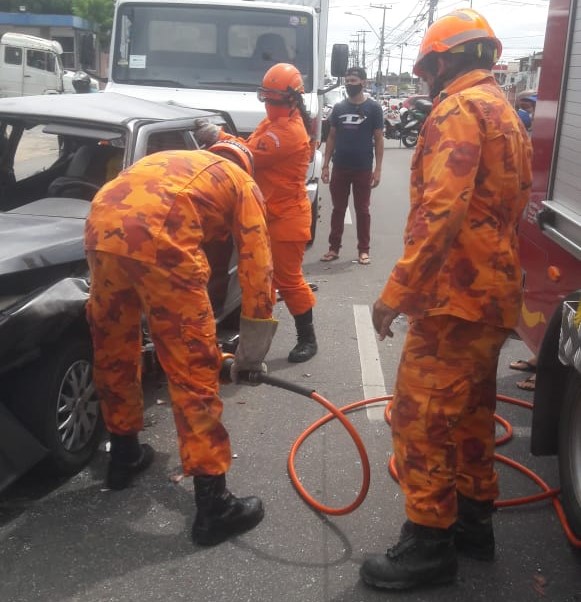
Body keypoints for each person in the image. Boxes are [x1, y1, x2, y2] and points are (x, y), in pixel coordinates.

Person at [362, 8, 533, 590]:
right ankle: (472, 525)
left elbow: (443, 211)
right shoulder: (504, 111)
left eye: (427, 68)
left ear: (441, 61)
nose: (425, 80)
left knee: (421, 419)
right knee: (473, 414)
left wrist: (395, 294)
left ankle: (429, 544)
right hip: (493, 293)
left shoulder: (458, 110)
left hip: (454, 298)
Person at [84, 140, 278, 547]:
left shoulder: (170, 162)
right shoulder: (242, 182)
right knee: (194, 368)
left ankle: (123, 456)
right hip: (161, 237)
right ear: (245, 165)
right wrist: (252, 353)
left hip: (101, 226)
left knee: (114, 349)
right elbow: (257, 266)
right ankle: (214, 506)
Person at [194, 63, 318, 363]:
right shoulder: (274, 123)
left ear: (290, 99)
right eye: (265, 97)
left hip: (286, 218)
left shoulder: (287, 132)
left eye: (273, 98)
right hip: (266, 214)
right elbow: (250, 145)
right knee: (261, 281)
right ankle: (250, 344)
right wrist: (223, 137)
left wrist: (219, 136)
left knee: (288, 280)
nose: (268, 103)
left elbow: (248, 155)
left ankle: (308, 339)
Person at [319, 66, 384, 265]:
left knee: (362, 210)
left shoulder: (374, 108)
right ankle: (333, 248)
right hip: (340, 167)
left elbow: (379, 139)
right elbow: (331, 136)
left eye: (353, 81)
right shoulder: (339, 108)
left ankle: (363, 250)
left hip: (363, 168)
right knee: (338, 209)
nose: (349, 85)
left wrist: (378, 169)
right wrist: (326, 165)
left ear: (363, 83)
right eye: (347, 81)